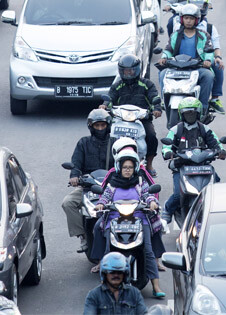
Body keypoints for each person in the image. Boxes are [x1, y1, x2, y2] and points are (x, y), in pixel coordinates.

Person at [91, 149, 165, 298]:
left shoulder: (140, 182)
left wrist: (152, 203)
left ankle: (156, 286)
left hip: (139, 218)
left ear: (135, 168)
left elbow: (148, 195)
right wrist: (100, 204)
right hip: (114, 219)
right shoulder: (112, 184)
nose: (127, 170)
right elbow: (104, 197)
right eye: (125, 167)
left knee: (149, 251)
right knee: (108, 251)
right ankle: (103, 284)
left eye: (130, 167)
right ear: (119, 168)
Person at [161, 98, 226, 222]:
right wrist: (168, 152)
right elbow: (166, 145)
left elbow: (215, 142)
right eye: (187, 113)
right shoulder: (176, 130)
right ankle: (167, 209)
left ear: (198, 113)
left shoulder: (204, 129)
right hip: (181, 166)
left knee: (216, 184)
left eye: (192, 113)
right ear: (181, 114)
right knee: (177, 195)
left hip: (203, 166)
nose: (190, 115)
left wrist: (221, 151)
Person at [102, 55, 163, 174]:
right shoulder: (117, 85)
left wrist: (156, 108)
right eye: (125, 71)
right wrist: (105, 105)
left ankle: (149, 165)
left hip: (141, 119)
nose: (128, 73)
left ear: (137, 70)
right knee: (104, 134)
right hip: (120, 120)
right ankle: (106, 163)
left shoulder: (147, 84)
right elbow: (110, 97)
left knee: (151, 136)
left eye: (131, 70)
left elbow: (154, 96)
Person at [63, 109, 111, 252]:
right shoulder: (83, 143)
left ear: (108, 125)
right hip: (88, 187)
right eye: (97, 126)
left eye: (103, 125)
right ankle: (82, 236)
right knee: (68, 203)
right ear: (91, 127)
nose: (100, 129)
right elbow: (76, 164)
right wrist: (74, 176)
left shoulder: (116, 143)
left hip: (112, 187)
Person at [160, 5, 215, 108]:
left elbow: (209, 51)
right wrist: (164, 57)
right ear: (182, 19)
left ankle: (203, 105)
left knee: (208, 75)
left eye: (191, 18)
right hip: (177, 67)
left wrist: (207, 60)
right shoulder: (175, 35)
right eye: (186, 18)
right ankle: (165, 100)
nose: (188, 21)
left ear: (196, 20)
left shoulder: (203, 35)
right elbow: (168, 49)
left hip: (197, 67)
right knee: (162, 73)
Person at [83, 252, 148, 315]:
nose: (116, 275)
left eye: (119, 272)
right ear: (105, 273)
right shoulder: (94, 295)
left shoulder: (134, 293)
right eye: (112, 272)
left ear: (124, 274)